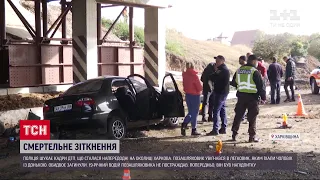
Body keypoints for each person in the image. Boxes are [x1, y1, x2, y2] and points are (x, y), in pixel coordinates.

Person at [231, 54, 266, 142]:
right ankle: (251, 137)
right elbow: (260, 86)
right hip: (252, 98)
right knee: (252, 117)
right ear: (254, 61)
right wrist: (263, 97)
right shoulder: (255, 71)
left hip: (241, 96)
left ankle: (234, 134)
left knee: (238, 115)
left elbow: (234, 83)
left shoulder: (239, 70)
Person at [206, 55, 230, 135]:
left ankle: (215, 129)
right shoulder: (221, 69)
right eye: (216, 61)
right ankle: (223, 127)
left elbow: (213, 77)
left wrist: (214, 73)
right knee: (222, 110)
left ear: (222, 61)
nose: (216, 63)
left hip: (220, 92)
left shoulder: (223, 70)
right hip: (221, 92)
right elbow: (212, 77)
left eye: (218, 61)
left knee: (216, 110)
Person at [181, 62, 202, 136]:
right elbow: (199, 87)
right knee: (195, 112)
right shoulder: (194, 76)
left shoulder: (184, 75)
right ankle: (192, 128)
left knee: (191, 112)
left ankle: (185, 125)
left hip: (188, 95)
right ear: (193, 67)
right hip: (195, 96)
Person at [231, 55, 248, 123]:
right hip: (247, 90)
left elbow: (234, 80)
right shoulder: (249, 68)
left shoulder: (241, 69)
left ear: (243, 60)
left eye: (239, 60)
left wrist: (234, 84)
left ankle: (242, 117)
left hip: (242, 90)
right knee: (243, 105)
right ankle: (244, 117)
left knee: (241, 105)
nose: (239, 61)